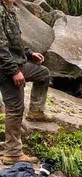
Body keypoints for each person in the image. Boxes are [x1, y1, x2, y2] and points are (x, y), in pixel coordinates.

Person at [0, 0, 54, 165]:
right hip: (5, 69)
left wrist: (30, 54)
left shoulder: (10, 10)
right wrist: (14, 71)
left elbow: (14, 41)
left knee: (43, 74)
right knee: (15, 108)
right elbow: (0, 48)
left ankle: (36, 111)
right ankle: (13, 152)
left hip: (16, 62)